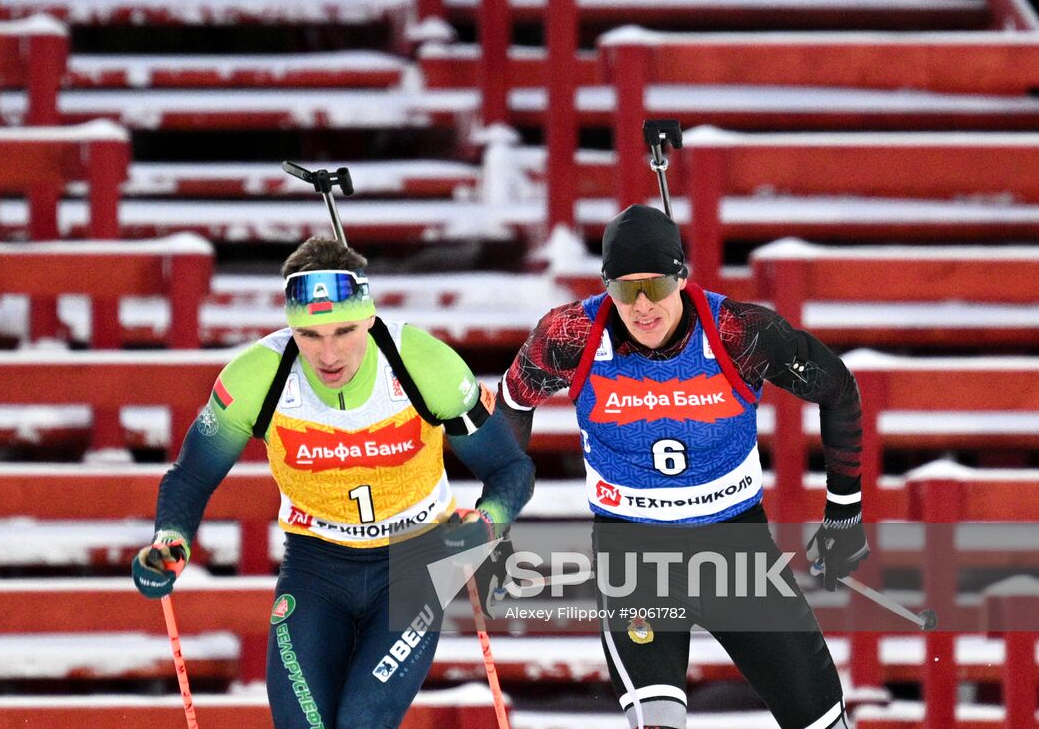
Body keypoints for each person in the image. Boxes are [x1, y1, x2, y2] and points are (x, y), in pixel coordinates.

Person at [133, 236, 535, 729]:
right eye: (309, 335)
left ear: (369, 316)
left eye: (344, 330)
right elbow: (192, 476)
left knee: (362, 721)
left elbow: (509, 469)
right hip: (316, 566)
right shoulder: (256, 377)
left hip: (416, 563)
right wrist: (170, 538)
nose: (329, 354)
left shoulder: (422, 363)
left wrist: (488, 520)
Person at [497, 204, 868, 729]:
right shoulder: (572, 336)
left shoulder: (738, 332)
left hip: (736, 554)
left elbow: (838, 389)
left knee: (824, 724)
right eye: (626, 290)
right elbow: (513, 401)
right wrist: (498, 512)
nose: (643, 307)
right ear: (606, 288)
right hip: (635, 557)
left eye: (656, 287)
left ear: (681, 278)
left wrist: (844, 511)